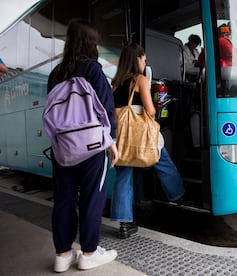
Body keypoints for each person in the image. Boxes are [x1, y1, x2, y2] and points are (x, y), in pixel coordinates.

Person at [47, 19, 119, 272]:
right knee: (91, 198)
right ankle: (88, 252)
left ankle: (63, 254)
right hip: (92, 148)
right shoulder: (93, 70)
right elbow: (106, 111)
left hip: (63, 149)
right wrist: (112, 143)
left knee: (64, 198)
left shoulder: (56, 74)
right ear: (91, 44)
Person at [110, 42, 185, 239]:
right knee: (162, 160)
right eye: (143, 58)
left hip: (120, 137)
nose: (144, 62)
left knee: (123, 177)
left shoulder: (114, 83)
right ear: (137, 59)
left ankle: (125, 223)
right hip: (140, 135)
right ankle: (178, 197)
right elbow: (150, 111)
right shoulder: (140, 80)